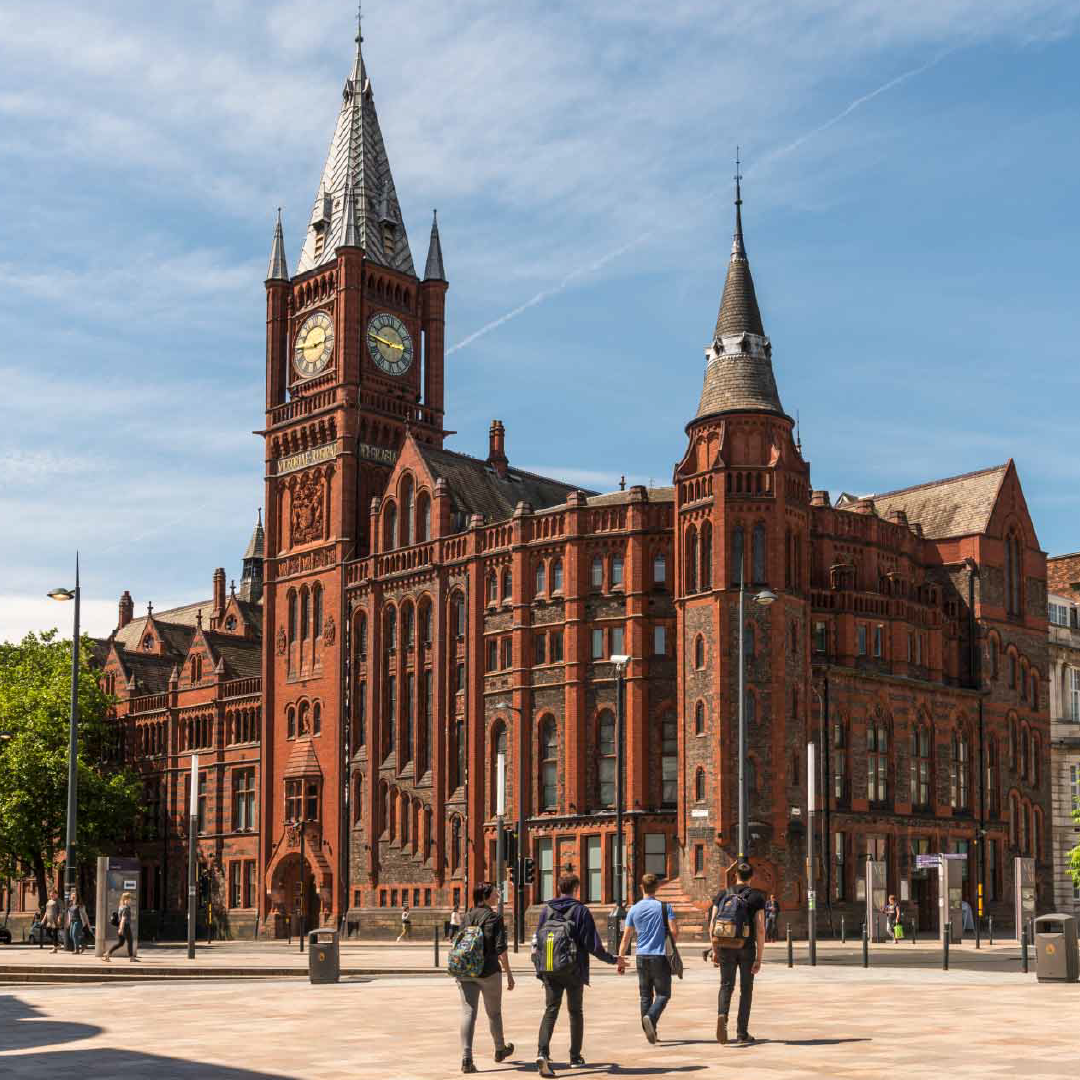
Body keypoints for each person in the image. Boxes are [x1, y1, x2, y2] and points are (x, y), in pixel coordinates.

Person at [534, 872, 626, 1076]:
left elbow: (537, 940)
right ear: (575, 888)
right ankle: (575, 1056)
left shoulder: (546, 909)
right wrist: (614, 959)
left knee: (551, 1009)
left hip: (549, 966)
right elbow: (593, 945)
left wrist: (539, 968)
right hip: (574, 969)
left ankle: (542, 1052)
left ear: (558, 888)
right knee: (575, 1011)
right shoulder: (580, 911)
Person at [455, 882, 515, 1074]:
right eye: (495, 893)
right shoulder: (494, 918)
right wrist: (509, 975)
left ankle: (466, 1058)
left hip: (466, 971)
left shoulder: (467, 916)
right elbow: (501, 950)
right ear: (486, 896)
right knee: (494, 1013)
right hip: (488, 971)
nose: (498, 896)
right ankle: (499, 1049)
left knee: (468, 1013)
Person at [710, 862, 766, 1046]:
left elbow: (712, 924)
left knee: (726, 985)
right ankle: (742, 1033)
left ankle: (722, 1016)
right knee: (746, 989)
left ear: (735, 875)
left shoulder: (722, 894)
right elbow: (760, 928)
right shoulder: (756, 896)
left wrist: (715, 949)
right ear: (751, 877)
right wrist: (759, 957)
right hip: (746, 947)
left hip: (725, 944)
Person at [617, 873, 677, 1044]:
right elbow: (674, 931)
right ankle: (651, 1018)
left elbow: (626, 937)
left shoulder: (634, 909)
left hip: (641, 956)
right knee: (663, 994)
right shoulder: (665, 907)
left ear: (641, 887)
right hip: (659, 956)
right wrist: (670, 946)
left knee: (645, 996)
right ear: (657, 887)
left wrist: (621, 960)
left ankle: (649, 1031)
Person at [103, 891, 137, 962]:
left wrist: (120, 928)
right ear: (126, 899)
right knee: (130, 941)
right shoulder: (126, 908)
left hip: (121, 927)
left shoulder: (121, 907)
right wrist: (121, 928)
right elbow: (123, 919)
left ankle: (108, 953)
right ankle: (131, 957)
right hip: (125, 927)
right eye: (130, 899)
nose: (131, 900)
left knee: (120, 943)